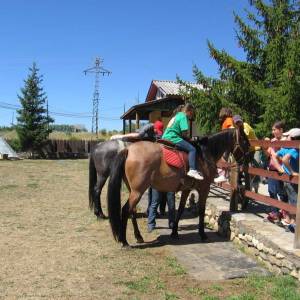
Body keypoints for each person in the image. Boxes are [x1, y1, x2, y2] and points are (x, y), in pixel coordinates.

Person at [162, 103, 203, 180]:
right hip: (173, 137)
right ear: (189, 111)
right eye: (191, 113)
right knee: (192, 149)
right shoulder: (183, 116)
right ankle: (192, 170)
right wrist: (193, 139)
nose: (191, 116)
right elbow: (184, 135)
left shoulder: (177, 116)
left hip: (165, 136)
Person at [214, 107, 234, 183]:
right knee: (222, 158)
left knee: (221, 158)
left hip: (226, 143)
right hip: (226, 142)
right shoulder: (227, 120)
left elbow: (231, 129)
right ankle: (223, 174)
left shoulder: (228, 119)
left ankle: (222, 175)